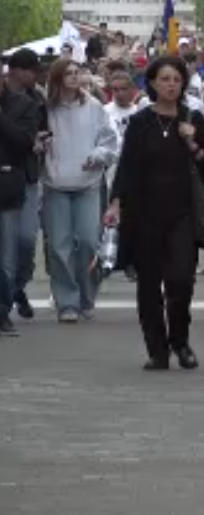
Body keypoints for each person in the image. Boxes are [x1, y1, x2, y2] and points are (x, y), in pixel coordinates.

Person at [104, 56, 204, 370]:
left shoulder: (192, 118)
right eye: (165, 79)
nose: (171, 85)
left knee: (181, 281)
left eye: (176, 80)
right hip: (144, 214)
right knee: (149, 284)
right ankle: (157, 349)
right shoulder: (141, 123)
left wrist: (193, 142)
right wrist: (116, 203)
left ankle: (180, 342)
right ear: (153, 83)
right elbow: (126, 167)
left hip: (183, 212)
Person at [40, 58, 118, 321]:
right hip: (55, 183)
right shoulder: (46, 109)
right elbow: (36, 139)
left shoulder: (94, 107)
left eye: (77, 72)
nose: (75, 77)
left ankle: (87, 294)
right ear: (57, 78)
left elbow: (109, 140)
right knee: (59, 245)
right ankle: (67, 302)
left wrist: (97, 155)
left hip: (88, 183)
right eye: (69, 73)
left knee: (87, 241)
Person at [0, 55, 42, 337]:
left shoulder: (24, 104)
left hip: (9, 184)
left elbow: (24, 143)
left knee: (10, 252)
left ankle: (3, 310)